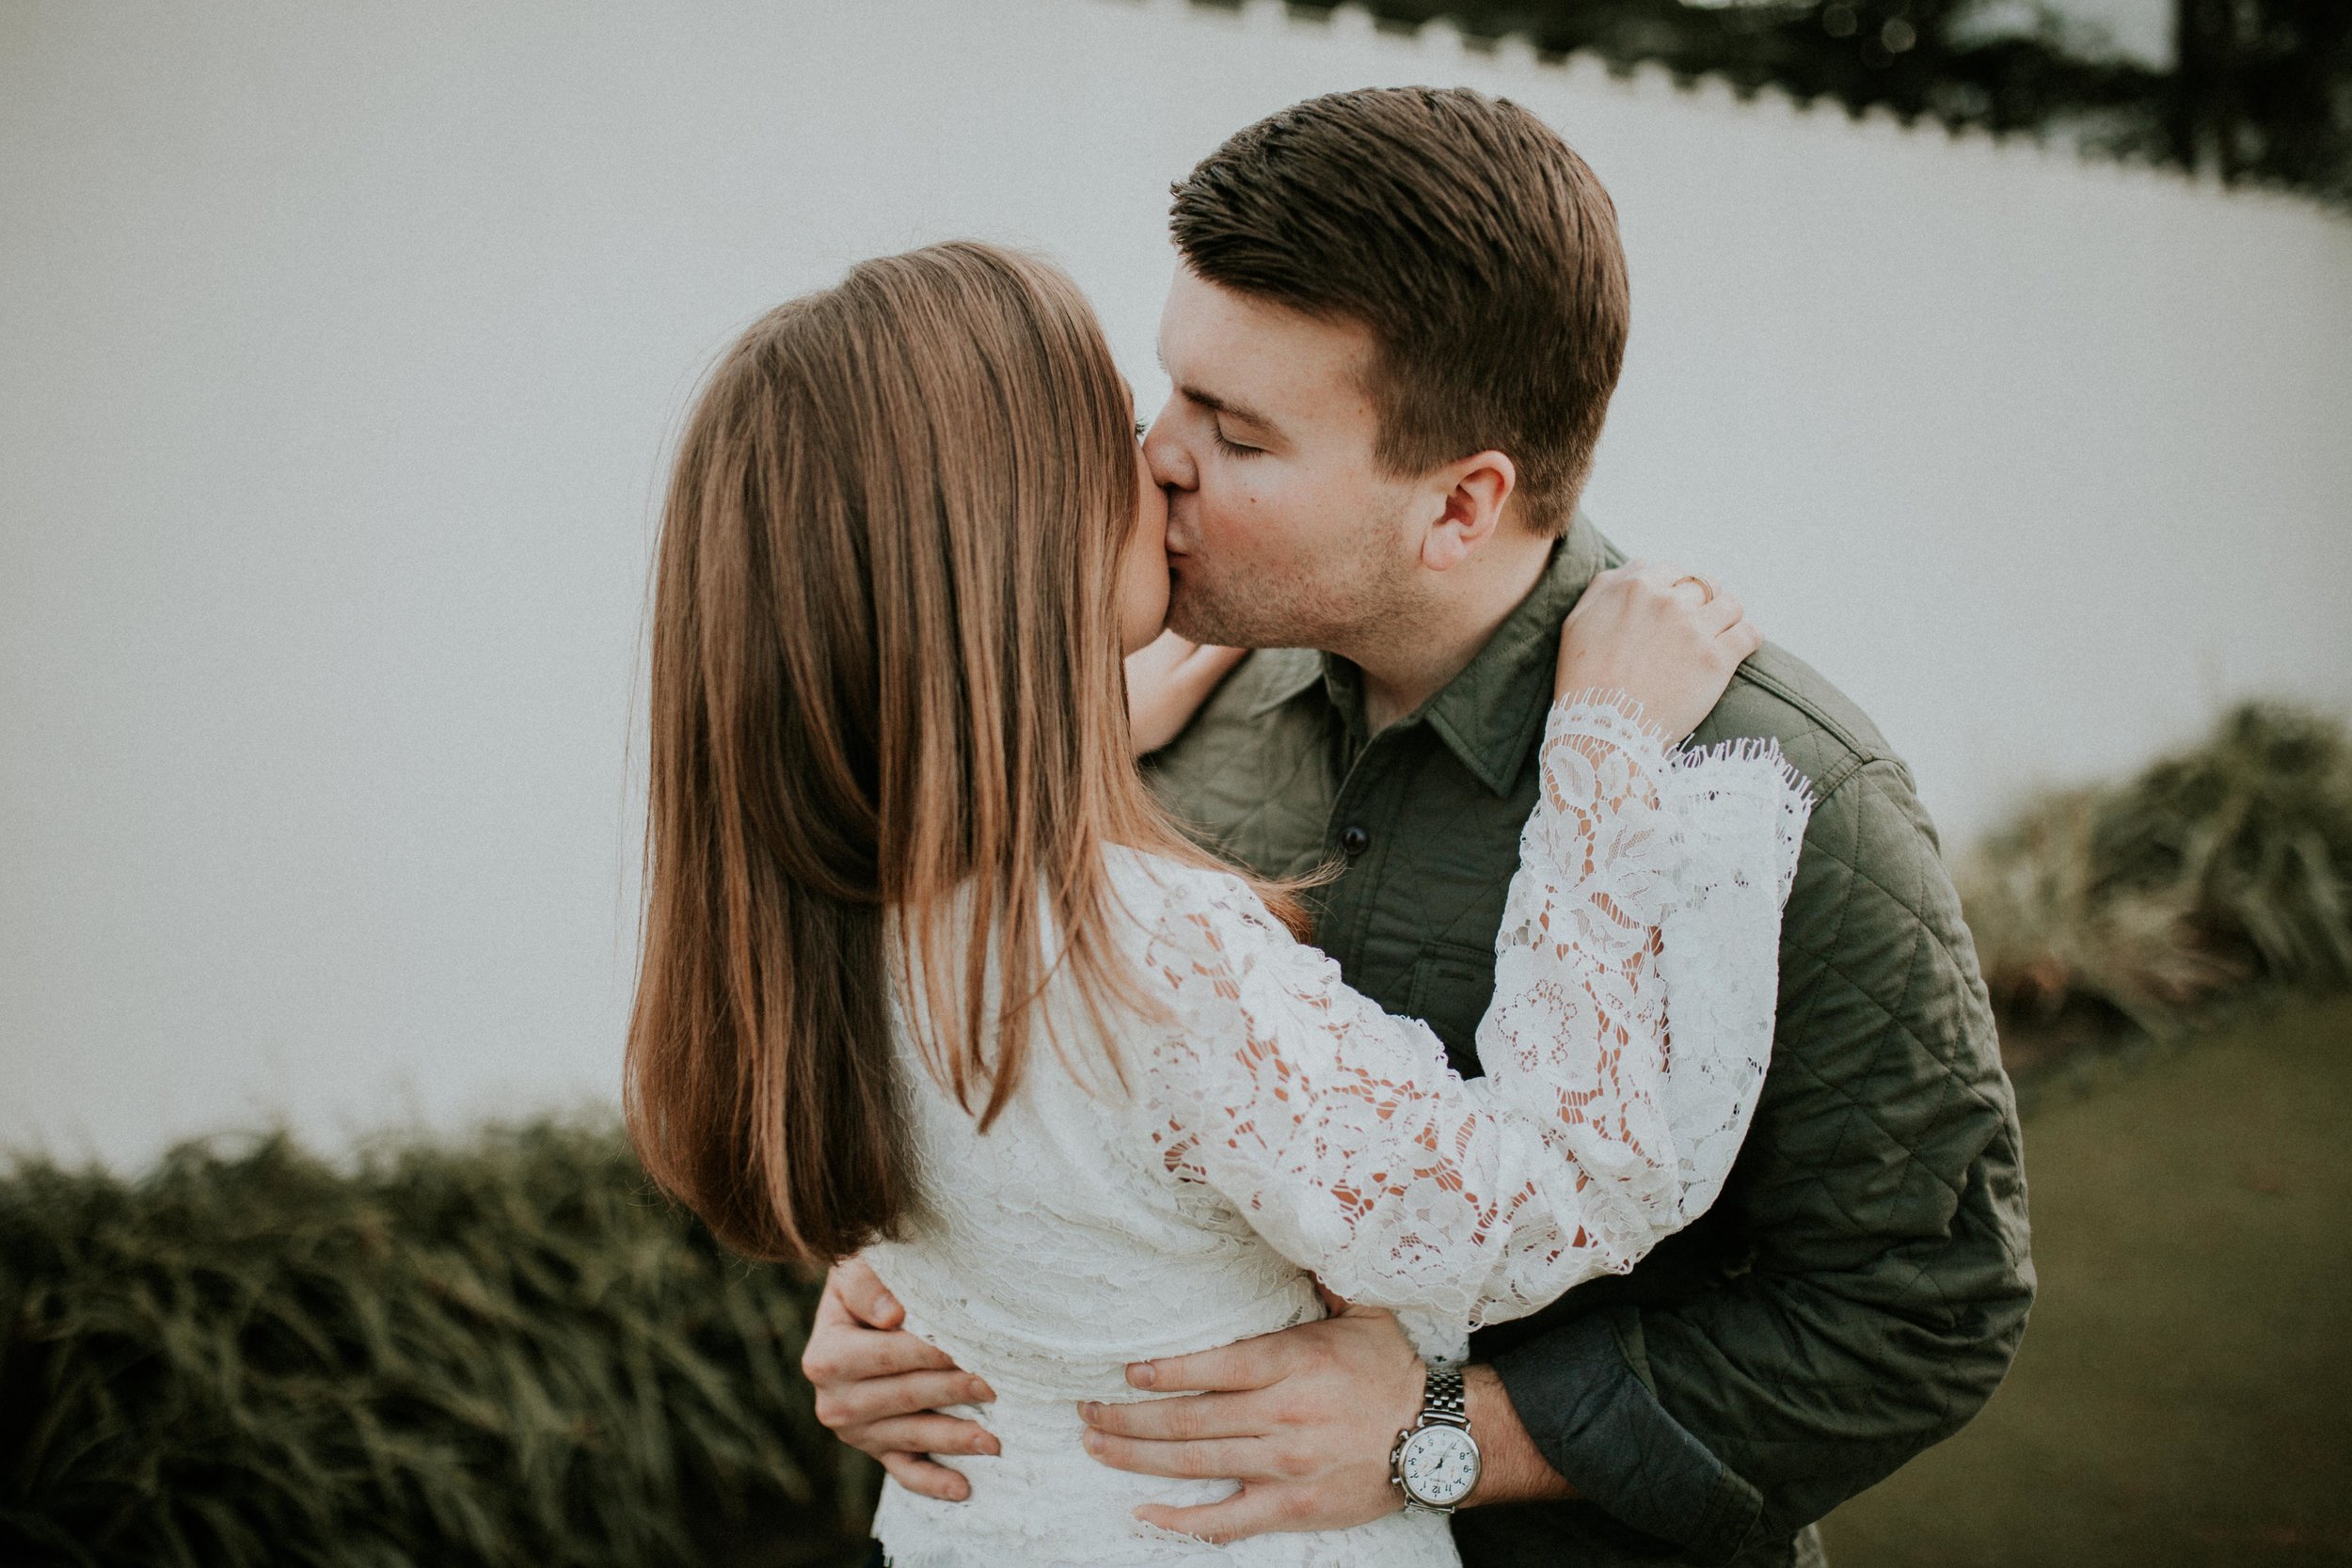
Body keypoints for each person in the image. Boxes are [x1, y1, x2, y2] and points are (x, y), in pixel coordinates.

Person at [803, 87, 2034, 1568]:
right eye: (1173, 389)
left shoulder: (1762, 794)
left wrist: (1457, 1431)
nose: (1155, 459)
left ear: (1462, 506)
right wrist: (922, 1296)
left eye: (1239, 438)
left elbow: (1923, 1310)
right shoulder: (1153, 726)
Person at [626, 233, 1807, 1568]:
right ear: (1025, 551)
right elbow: (1550, 1195)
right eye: (1120, 430)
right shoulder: (1159, 960)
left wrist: (1073, 725)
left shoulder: (803, 910)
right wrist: (1601, 756)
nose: (1164, 463)